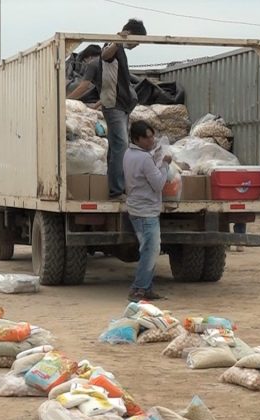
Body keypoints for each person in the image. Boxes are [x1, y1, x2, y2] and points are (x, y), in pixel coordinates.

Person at [85, 19, 146, 199]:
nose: (137, 45)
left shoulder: (120, 50)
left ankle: (118, 187)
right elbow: (105, 55)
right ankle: (117, 190)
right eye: (137, 40)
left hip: (122, 105)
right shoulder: (113, 45)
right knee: (121, 147)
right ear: (128, 33)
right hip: (114, 106)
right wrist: (119, 40)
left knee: (116, 148)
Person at [124, 120, 170, 301]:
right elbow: (158, 184)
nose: (152, 140)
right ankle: (139, 289)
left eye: (153, 136)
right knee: (150, 251)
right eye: (147, 138)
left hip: (137, 208)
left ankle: (146, 287)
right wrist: (165, 165)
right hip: (146, 212)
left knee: (149, 249)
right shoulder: (144, 158)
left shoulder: (128, 154)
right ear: (137, 139)